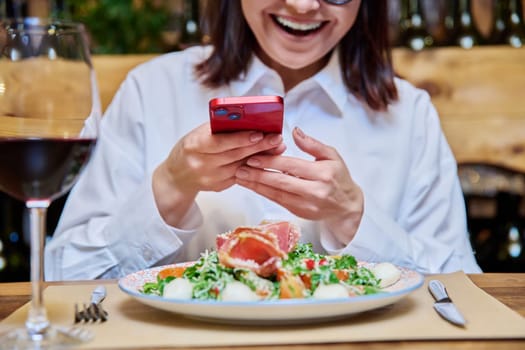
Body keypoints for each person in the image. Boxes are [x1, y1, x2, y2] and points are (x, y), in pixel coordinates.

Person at [44, 0, 482, 280]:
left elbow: (463, 292)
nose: (303, 5)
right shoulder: (151, 90)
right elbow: (60, 278)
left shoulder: (410, 115)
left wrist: (354, 216)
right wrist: (170, 188)